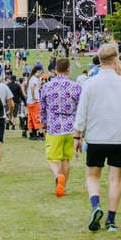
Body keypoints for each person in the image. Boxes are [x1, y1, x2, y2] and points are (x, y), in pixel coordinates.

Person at [73, 43, 121, 233]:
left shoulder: (89, 84)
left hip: (95, 136)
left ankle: (96, 206)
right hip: (119, 137)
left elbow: (81, 112)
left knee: (92, 176)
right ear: (116, 59)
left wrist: (77, 135)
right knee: (114, 180)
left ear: (99, 61)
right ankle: (111, 220)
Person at [39, 58, 81, 197]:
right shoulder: (75, 87)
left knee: (52, 158)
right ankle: (63, 187)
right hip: (71, 126)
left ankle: (58, 177)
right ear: (68, 69)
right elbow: (80, 109)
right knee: (66, 159)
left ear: (55, 70)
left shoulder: (47, 86)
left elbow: (43, 108)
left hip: (54, 126)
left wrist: (43, 124)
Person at [26, 64, 44, 141]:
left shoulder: (31, 78)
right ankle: (39, 133)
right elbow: (33, 88)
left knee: (30, 117)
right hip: (34, 101)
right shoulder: (34, 79)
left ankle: (31, 133)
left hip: (29, 101)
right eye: (40, 72)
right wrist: (34, 97)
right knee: (37, 117)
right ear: (37, 72)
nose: (41, 74)